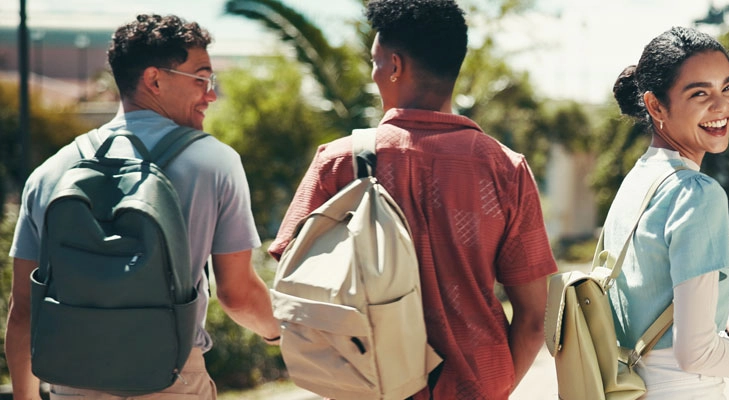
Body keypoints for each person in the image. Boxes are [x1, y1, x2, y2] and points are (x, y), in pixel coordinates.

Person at [269, 1, 556, 399]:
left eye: (375, 61)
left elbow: (293, 289)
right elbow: (534, 318)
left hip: (368, 386)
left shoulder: (338, 162)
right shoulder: (505, 169)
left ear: (395, 66)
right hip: (476, 384)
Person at [6, 14, 280, 399]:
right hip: (171, 379)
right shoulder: (214, 162)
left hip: (75, 381)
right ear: (154, 79)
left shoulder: (51, 171)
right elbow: (236, 294)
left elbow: (24, 312)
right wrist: (277, 332)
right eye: (201, 79)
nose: (211, 95)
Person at [606, 26, 729, 398]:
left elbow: (651, 296)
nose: (721, 107)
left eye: (728, 88)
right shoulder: (698, 193)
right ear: (655, 106)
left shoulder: (637, 181)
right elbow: (696, 353)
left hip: (626, 384)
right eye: (700, 93)